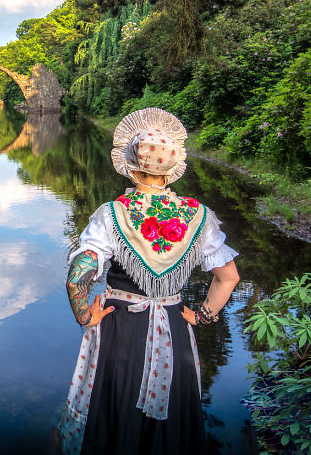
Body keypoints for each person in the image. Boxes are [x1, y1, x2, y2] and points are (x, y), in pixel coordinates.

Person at [57, 107, 240, 455]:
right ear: (173, 168)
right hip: (172, 325)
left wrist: (86, 315)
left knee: (113, 403)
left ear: (130, 164)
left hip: (119, 327)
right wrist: (201, 316)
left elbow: (76, 278)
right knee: (172, 413)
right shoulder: (198, 216)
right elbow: (228, 277)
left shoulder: (113, 214)